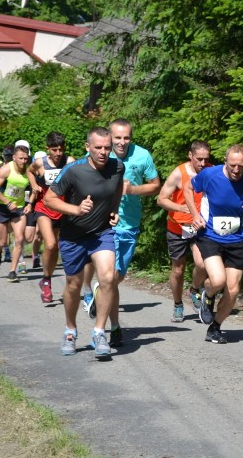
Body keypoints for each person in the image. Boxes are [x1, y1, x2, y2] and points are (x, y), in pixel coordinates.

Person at [44, 127, 124, 357]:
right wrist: (76, 209)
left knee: (108, 277)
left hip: (101, 233)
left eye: (107, 147)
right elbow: (50, 199)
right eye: (98, 147)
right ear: (87, 147)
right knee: (73, 285)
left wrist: (114, 210)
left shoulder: (117, 166)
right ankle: (70, 330)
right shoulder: (73, 170)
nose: (103, 152)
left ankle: (99, 333)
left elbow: (117, 188)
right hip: (73, 235)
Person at [82, 119, 160, 347]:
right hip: (105, 224)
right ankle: (108, 329)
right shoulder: (102, 154)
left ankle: (105, 306)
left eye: (126, 138)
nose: (122, 142)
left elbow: (156, 185)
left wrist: (133, 189)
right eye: (117, 138)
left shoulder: (142, 155)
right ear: (110, 137)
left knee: (116, 279)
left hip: (130, 224)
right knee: (110, 278)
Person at [184, 144, 243, 345]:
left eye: (240, 166)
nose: (236, 170)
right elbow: (189, 187)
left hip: (237, 239)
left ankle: (214, 327)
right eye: (232, 165)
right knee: (217, 280)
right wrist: (195, 214)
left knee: (232, 290)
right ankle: (208, 292)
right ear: (225, 161)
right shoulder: (210, 175)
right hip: (210, 235)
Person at [157, 140, 212, 322]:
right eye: (199, 159)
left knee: (203, 264)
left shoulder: (212, 171)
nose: (203, 164)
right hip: (177, 228)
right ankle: (178, 305)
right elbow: (161, 199)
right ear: (190, 155)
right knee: (178, 270)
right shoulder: (179, 174)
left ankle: (194, 289)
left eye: (206, 159)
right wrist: (181, 208)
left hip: (200, 228)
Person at [27, 132, 75, 303]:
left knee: (59, 248)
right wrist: (34, 185)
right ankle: (46, 280)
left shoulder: (70, 162)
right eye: (54, 149)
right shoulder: (41, 163)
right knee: (50, 244)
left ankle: (50, 280)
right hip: (44, 208)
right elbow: (30, 171)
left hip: (63, 209)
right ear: (48, 149)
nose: (58, 153)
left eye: (61, 149)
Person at [0, 145, 32, 282]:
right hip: (2, 206)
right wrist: (7, 202)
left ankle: (13, 271)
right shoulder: (7, 169)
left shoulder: (30, 170)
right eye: (20, 158)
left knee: (19, 239)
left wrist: (30, 203)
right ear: (14, 157)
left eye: (26, 158)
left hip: (18, 209)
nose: (23, 161)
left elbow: (34, 189)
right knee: (2, 241)